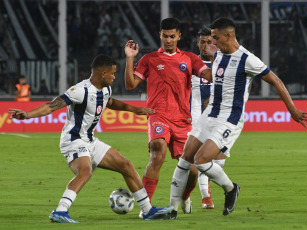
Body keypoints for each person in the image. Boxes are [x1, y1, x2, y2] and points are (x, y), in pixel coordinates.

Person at [166, 17, 307, 219]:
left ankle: (230, 188)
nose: (213, 43)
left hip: (229, 119)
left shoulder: (247, 59)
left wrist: (293, 109)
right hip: (209, 116)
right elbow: (219, 80)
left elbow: (276, 81)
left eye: (216, 38)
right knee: (184, 161)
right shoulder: (217, 56)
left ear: (228, 35)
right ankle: (171, 211)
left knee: (200, 162)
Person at [9, 54, 173, 223]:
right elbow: (52, 106)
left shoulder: (105, 89)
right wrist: (28, 114)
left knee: (126, 165)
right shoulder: (80, 90)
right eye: (113, 73)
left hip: (90, 140)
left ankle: (147, 210)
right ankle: (60, 211)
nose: (114, 77)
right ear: (103, 74)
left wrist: (135, 109)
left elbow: (111, 103)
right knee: (85, 171)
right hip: (73, 140)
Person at [124, 18, 212, 216]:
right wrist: (130, 58)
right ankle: (146, 208)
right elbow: (130, 85)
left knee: (192, 171)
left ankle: (185, 196)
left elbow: (210, 76)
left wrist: (215, 59)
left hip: (182, 120)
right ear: (160, 35)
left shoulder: (190, 58)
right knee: (157, 153)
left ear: (179, 36)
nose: (169, 40)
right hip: (158, 115)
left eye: (172, 36)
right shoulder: (149, 59)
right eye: (165, 36)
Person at [191, 27, 226, 210]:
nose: (205, 45)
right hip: (195, 119)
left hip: (219, 116)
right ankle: (206, 197)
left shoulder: (223, 61)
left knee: (219, 160)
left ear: (215, 42)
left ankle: (191, 195)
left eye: (209, 41)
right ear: (198, 43)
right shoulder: (191, 62)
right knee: (200, 159)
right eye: (202, 42)